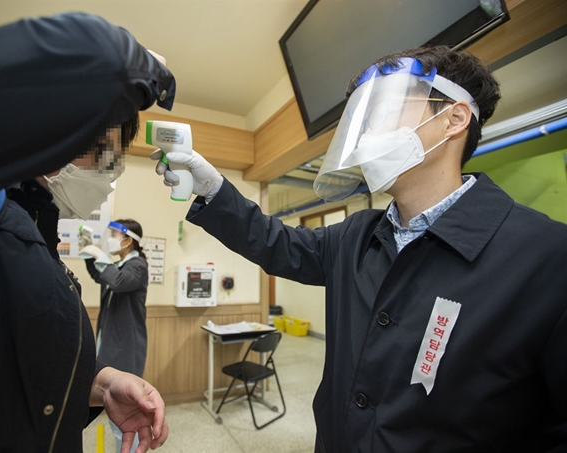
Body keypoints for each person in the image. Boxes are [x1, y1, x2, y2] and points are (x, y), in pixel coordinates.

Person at [152, 46, 567, 451]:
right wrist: (214, 191)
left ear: (453, 119)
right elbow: (275, 242)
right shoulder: (356, 234)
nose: (367, 133)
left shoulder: (546, 258)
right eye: (363, 120)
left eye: (383, 112)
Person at [0, 13, 175, 452]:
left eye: (112, 161)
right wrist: (133, 68)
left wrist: (98, 383)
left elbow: (17, 370)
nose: (105, 174)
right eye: (101, 154)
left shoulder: (37, 236)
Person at [81, 219, 149, 453]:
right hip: (109, 341)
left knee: (123, 409)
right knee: (115, 408)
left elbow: (118, 282)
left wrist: (99, 255)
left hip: (125, 347)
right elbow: (102, 277)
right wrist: (88, 252)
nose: (109, 238)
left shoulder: (137, 266)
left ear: (128, 240)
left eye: (113, 234)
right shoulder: (119, 266)